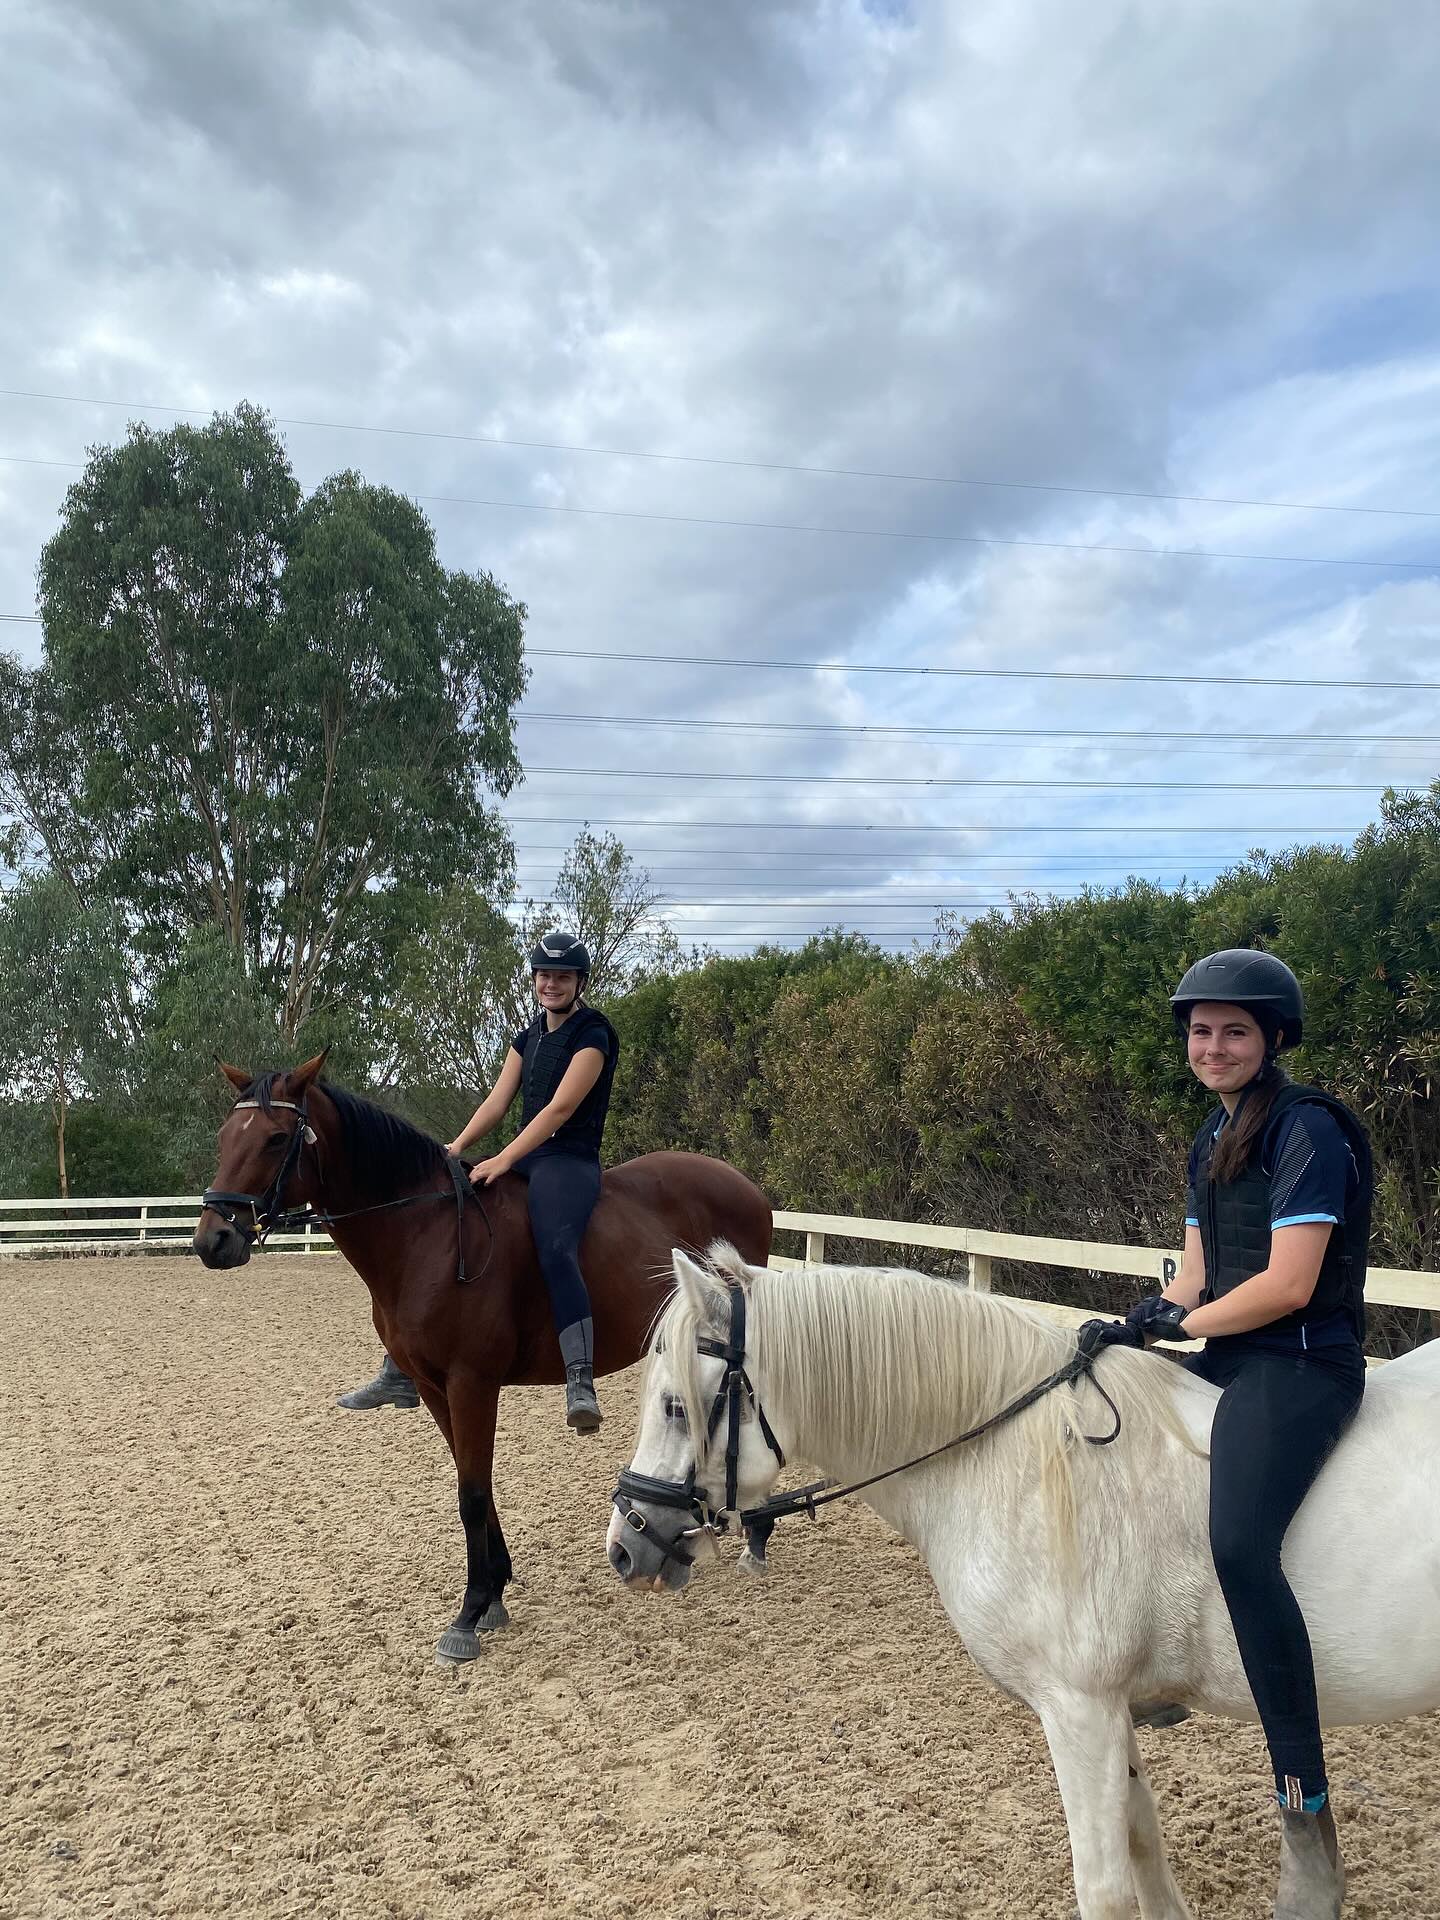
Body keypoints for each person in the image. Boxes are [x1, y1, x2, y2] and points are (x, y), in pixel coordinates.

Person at [1082, 947, 1372, 1914]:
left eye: (1233, 1031)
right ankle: (1162, 1665)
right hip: (1234, 1350)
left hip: (1300, 1362)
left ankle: (1307, 1817)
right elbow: (1196, 1277)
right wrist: (1140, 1323)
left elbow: (1288, 1284)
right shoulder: (1214, 1134)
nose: (1213, 1046)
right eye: (1201, 1032)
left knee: (1243, 1545)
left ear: (1273, 1038)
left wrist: (1184, 1327)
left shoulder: (1308, 1131)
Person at [337, 930, 620, 1433]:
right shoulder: (528, 1034)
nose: (551, 984)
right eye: (544, 975)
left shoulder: (593, 1034)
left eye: (562, 976)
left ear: (579, 982)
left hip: (568, 1160)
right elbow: (497, 1101)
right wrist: (458, 1148)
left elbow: (561, 1109)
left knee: (557, 1248)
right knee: (432, 1219)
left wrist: (506, 1159)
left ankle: (581, 1379)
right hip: (526, 1152)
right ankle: (399, 1369)